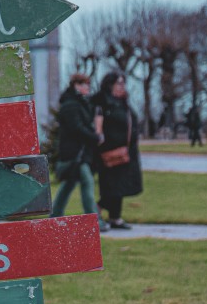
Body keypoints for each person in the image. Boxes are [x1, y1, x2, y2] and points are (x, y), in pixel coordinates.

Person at [50, 73, 107, 230]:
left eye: (88, 84)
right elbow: (77, 128)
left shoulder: (80, 103)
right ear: (76, 85)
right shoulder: (71, 105)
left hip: (78, 152)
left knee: (69, 184)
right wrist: (95, 137)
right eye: (84, 84)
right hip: (74, 153)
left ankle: (54, 217)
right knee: (87, 182)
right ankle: (94, 220)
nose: (87, 87)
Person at [92, 71, 143, 230]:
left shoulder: (122, 103)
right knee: (111, 186)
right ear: (110, 85)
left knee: (121, 185)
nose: (122, 87)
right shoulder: (103, 102)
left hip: (125, 152)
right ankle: (97, 209)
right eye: (119, 83)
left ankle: (115, 217)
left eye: (123, 83)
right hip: (110, 152)